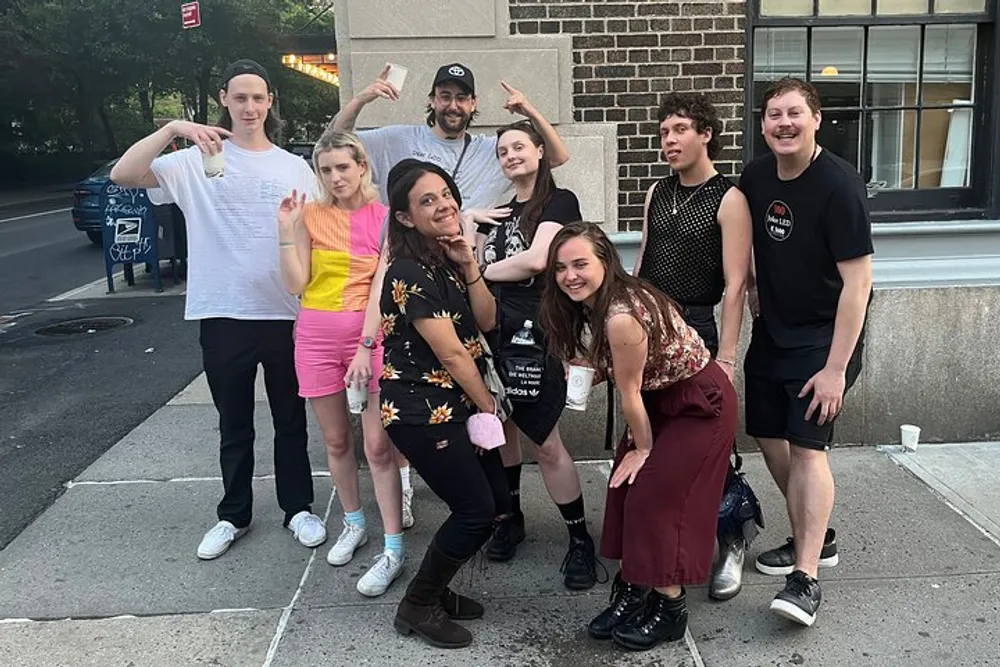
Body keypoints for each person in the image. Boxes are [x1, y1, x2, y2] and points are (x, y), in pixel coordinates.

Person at [109, 59, 326, 559]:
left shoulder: (294, 167)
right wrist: (171, 128)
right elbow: (125, 174)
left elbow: (317, 236)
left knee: (291, 418)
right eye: (240, 97)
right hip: (223, 312)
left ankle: (298, 508)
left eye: (259, 98)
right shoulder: (192, 160)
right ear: (224, 100)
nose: (250, 107)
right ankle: (234, 515)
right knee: (234, 420)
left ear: (270, 102)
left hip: (286, 312)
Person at [539, 222, 737, 652]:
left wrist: (643, 449)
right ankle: (634, 589)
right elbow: (628, 372)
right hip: (660, 401)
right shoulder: (596, 305)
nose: (569, 275)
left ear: (605, 262)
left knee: (653, 494)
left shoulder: (621, 315)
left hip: (698, 405)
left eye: (579, 264)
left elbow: (629, 392)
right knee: (624, 490)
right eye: (560, 268)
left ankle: (670, 609)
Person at [739, 77, 873, 627]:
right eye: (774, 115)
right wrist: (748, 289)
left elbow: (858, 285)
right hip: (774, 330)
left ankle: (806, 578)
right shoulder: (755, 176)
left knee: (808, 446)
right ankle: (816, 535)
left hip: (825, 337)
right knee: (769, 439)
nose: (784, 124)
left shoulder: (839, 185)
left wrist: (836, 369)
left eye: (795, 113)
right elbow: (747, 243)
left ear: (816, 119)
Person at [379, 159, 510, 649]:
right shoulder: (407, 270)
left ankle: (437, 587)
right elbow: (451, 351)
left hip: (457, 406)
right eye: (427, 200)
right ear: (406, 218)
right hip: (419, 408)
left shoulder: (445, 262)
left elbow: (486, 319)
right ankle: (418, 603)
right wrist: (488, 407)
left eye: (446, 194)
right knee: (474, 509)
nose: (444, 205)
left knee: (495, 502)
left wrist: (470, 264)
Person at [632, 93, 753, 601]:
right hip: (653, 330)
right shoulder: (657, 192)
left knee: (708, 449)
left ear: (706, 133)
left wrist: (725, 358)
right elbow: (641, 263)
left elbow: (736, 284)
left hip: (700, 330)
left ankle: (732, 536)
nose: (669, 141)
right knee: (657, 442)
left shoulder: (729, 197)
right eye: (664, 133)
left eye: (680, 129)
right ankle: (665, 545)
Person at [276, 130, 404, 597]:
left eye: (342, 167)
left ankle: (393, 545)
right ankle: (354, 522)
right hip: (313, 337)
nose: (335, 177)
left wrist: (366, 347)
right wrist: (285, 232)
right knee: (334, 440)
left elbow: (380, 289)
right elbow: (296, 284)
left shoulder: (385, 218)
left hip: (368, 339)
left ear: (362, 166)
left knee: (377, 447)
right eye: (326, 169)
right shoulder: (309, 215)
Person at [475, 120, 600, 590]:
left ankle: (579, 537)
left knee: (545, 439)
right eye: (503, 150)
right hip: (493, 332)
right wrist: (471, 222)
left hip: (539, 332)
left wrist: (484, 269)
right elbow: (472, 262)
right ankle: (510, 518)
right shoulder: (499, 212)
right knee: (501, 428)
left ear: (540, 152)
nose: (510, 156)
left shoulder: (558, 200)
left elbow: (537, 260)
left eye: (519, 147)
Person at [332, 62, 570, 210]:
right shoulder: (396, 139)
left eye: (462, 98)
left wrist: (530, 111)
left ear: (473, 103)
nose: (453, 105)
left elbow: (558, 157)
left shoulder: (494, 151)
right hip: (408, 260)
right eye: (445, 96)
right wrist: (360, 100)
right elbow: (333, 145)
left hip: (466, 263)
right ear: (432, 100)